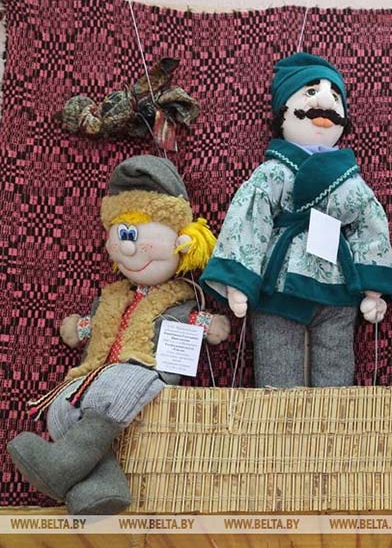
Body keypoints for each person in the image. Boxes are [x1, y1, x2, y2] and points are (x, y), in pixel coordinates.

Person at [7, 155, 229, 514]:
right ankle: (102, 490)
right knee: (62, 408)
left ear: (183, 241)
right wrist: (80, 327)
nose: (129, 247)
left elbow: (198, 324)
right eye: (123, 235)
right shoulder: (112, 297)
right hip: (98, 368)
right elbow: (97, 326)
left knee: (115, 387)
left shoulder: (177, 299)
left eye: (138, 235)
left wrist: (209, 325)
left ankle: (59, 469)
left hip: (146, 367)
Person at [201, 53, 392, 388]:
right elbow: (250, 218)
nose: (325, 102)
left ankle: (336, 416)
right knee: (276, 357)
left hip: (337, 279)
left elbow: (370, 225)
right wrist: (239, 279)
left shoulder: (349, 178)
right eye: (310, 92)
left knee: (336, 357)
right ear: (284, 110)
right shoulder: (273, 172)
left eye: (334, 96)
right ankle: (280, 416)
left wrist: (373, 287)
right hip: (279, 279)